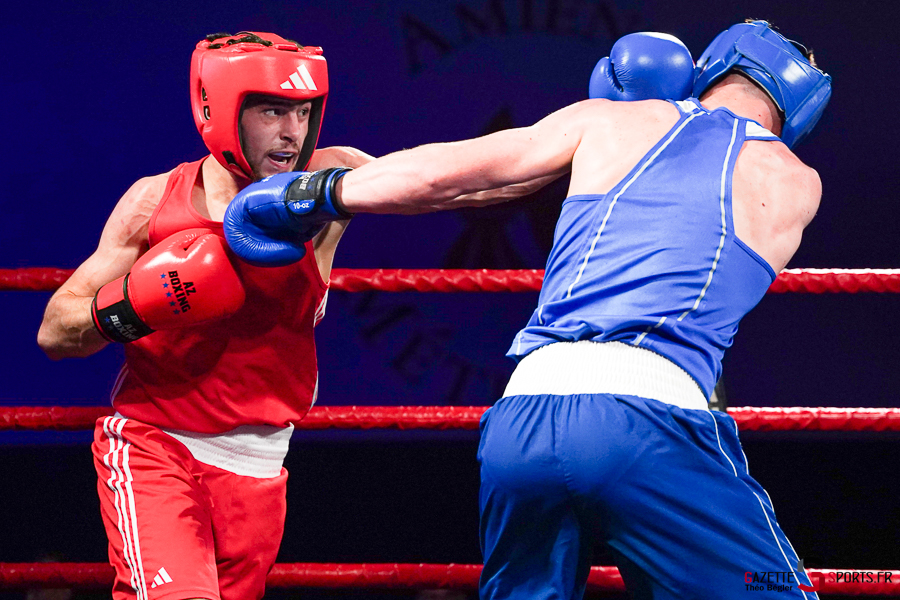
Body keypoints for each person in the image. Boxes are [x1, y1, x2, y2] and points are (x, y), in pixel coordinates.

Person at [224, 19, 831, 600]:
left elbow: (447, 175)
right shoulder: (795, 182)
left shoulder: (610, 120)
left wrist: (313, 191)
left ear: (709, 68)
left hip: (522, 422)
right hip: (648, 424)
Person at [37, 31, 374, 600]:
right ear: (218, 110)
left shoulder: (327, 187)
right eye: (272, 111)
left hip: (261, 468)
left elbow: (442, 185)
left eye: (303, 112)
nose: (292, 132)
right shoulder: (155, 201)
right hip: (157, 448)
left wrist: (542, 154)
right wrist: (136, 305)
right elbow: (55, 331)